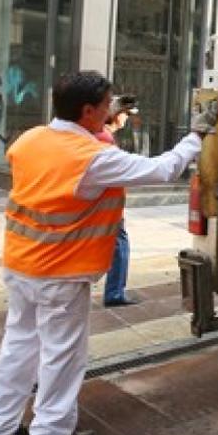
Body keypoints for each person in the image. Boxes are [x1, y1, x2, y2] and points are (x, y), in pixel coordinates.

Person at [0, 71, 218, 435]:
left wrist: (103, 124)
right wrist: (197, 135)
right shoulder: (91, 159)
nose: (111, 111)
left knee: (18, 347)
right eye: (105, 106)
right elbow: (163, 170)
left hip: (20, 264)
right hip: (60, 273)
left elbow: (69, 155)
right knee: (61, 356)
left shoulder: (31, 139)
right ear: (87, 111)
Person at [97, 96, 137, 308]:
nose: (126, 119)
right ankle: (114, 293)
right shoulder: (104, 138)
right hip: (108, 206)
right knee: (120, 245)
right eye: (125, 114)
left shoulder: (102, 135)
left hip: (106, 204)